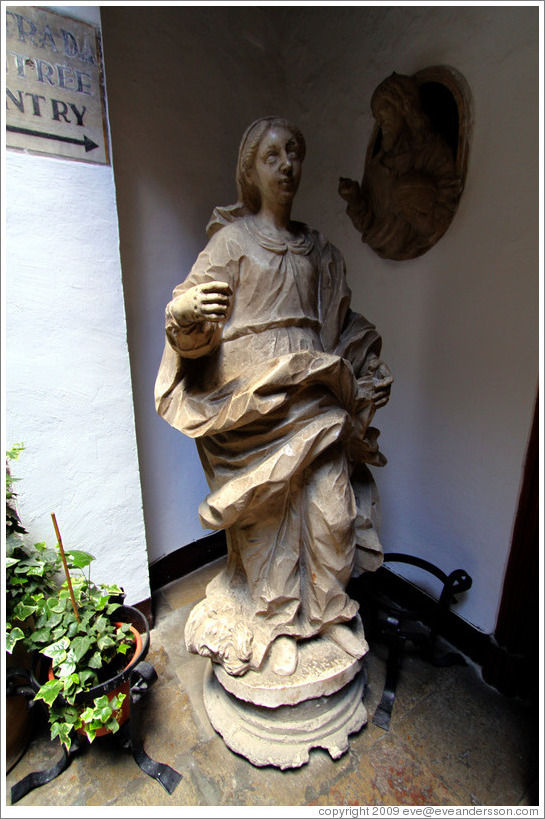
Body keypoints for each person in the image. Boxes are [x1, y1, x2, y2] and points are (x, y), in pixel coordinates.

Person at [155, 117, 392, 677]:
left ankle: (329, 615)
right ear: (250, 170)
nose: (286, 165)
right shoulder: (231, 243)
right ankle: (276, 621)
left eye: (294, 153)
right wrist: (185, 317)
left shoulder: (320, 251)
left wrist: (368, 365)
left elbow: (343, 323)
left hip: (316, 391)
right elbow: (189, 318)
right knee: (268, 520)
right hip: (252, 403)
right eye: (271, 156)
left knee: (332, 511)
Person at [339, 73, 461, 260]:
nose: (381, 120)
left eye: (384, 109)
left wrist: (417, 202)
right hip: (382, 237)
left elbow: (446, 197)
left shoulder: (432, 151)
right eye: (376, 115)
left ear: (404, 107)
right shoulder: (376, 168)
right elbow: (367, 222)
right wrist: (354, 198)